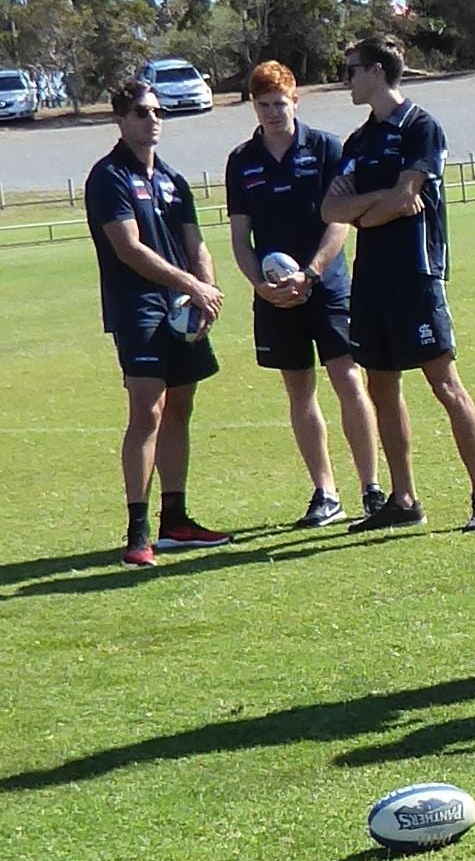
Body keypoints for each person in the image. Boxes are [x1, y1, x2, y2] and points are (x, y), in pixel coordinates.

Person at [321, 32, 475, 532]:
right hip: (370, 280)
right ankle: (403, 500)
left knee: (444, 382)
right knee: (381, 386)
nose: (346, 80)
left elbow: (407, 199)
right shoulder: (357, 141)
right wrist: (373, 206)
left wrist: (367, 208)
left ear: (376, 71)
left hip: (416, 275)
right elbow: (331, 209)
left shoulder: (421, 127)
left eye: (351, 70)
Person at [224, 59, 383, 531]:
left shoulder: (327, 147)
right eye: (264, 105)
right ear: (255, 107)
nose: (273, 113)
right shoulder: (242, 161)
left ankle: (372, 489)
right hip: (275, 295)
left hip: (327, 286)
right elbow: (240, 237)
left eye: (280, 103)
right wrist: (259, 284)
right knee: (299, 390)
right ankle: (325, 492)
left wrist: (311, 274)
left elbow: (341, 220)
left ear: (295, 101)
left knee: (349, 380)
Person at [83, 77, 231, 571]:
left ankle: (176, 520)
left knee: (180, 410)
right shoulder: (108, 177)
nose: (152, 120)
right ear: (120, 120)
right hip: (138, 308)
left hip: (182, 308)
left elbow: (196, 244)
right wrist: (192, 285)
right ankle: (138, 531)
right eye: (142, 112)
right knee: (148, 411)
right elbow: (128, 248)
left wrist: (206, 293)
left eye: (157, 112)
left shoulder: (173, 179)